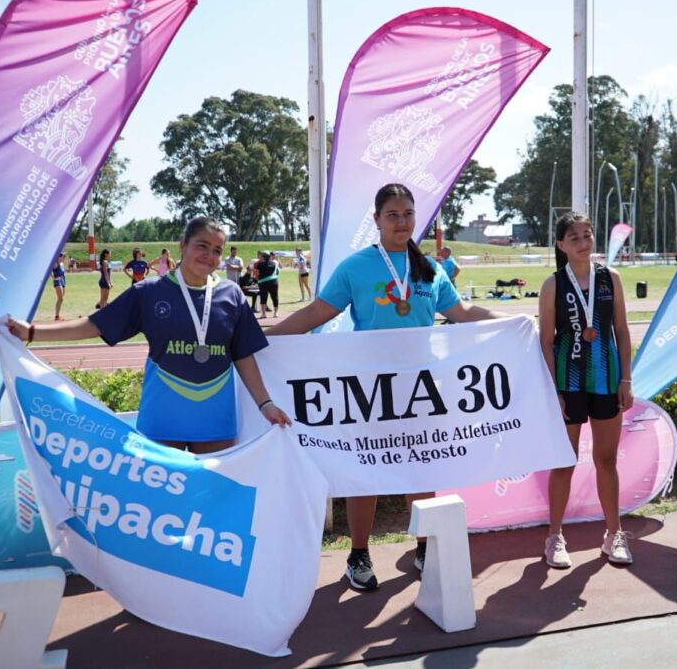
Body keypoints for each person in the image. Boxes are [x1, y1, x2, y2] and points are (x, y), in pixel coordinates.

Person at [269, 183, 503, 591]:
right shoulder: (356, 267)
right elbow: (316, 312)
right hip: (370, 390)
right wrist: (266, 339)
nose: (401, 222)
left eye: (408, 214)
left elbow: (461, 312)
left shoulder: (429, 268)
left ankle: (425, 547)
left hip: (422, 389)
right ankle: (358, 555)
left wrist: (511, 320)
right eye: (392, 215)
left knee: (421, 469)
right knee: (368, 473)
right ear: (376, 220)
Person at [7, 217, 291, 453]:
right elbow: (94, 325)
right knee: (162, 500)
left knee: (211, 498)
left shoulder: (232, 294)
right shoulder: (149, 292)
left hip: (215, 417)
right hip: (163, 416)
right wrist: (33, 332)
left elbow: (243, 355)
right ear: (182, 246)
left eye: (217, 250)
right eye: (202, 246)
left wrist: (265, 404)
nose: (210, 255)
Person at [539, 211, 634, 570]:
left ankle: (614, 534)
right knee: (564, 463)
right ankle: (555, 537)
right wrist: (553, 391)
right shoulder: (553, 285)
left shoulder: (611, 279)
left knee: (606, 461)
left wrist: (626, 379)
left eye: (587, 235)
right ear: (561, 245)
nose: (583, 242)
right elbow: (546, 341)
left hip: (607, 381)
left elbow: (622, 332)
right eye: (574, 237)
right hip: (569, 383)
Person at [256, 251, 280, 319]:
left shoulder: (259, 264)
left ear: (263, 257)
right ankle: (275, 313)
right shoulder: (274, 263)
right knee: (275, 297)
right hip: (273, 281)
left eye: (261, 256)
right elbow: (277, 272)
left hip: (263, 282)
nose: (259, 257)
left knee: (263, 297)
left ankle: (263, 314)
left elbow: (257, 273)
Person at [52, 253, 67, 321]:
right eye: (62, 256)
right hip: (57, 281)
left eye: (63, 256)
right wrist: (53, 278)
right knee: (60, 298)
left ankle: (58, 315)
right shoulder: (55, 263)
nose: (63, 257)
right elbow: (49, 270)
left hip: (62, 280)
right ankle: (57, 316)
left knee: (61, 299)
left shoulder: (62, 264)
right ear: (58, 257)